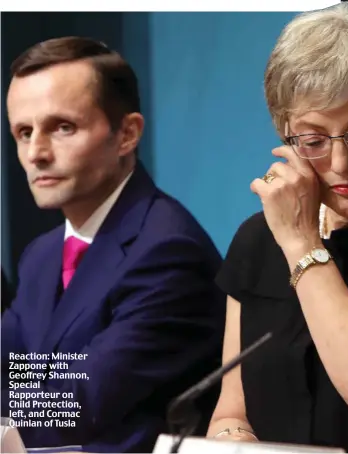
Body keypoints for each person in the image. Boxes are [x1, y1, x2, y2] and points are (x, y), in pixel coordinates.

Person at [207, 3, 348, 453]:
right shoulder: (257, 239)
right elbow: (231, 413)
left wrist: (302, 243)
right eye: (312, 141)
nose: (340, 164)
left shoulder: (290, 234)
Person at [2, 37, 225, 453]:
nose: (36, 153)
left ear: (127, 134)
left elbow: (79, 402)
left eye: (62, 127)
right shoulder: (41, 255)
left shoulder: (168, 249)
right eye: (23, 132)